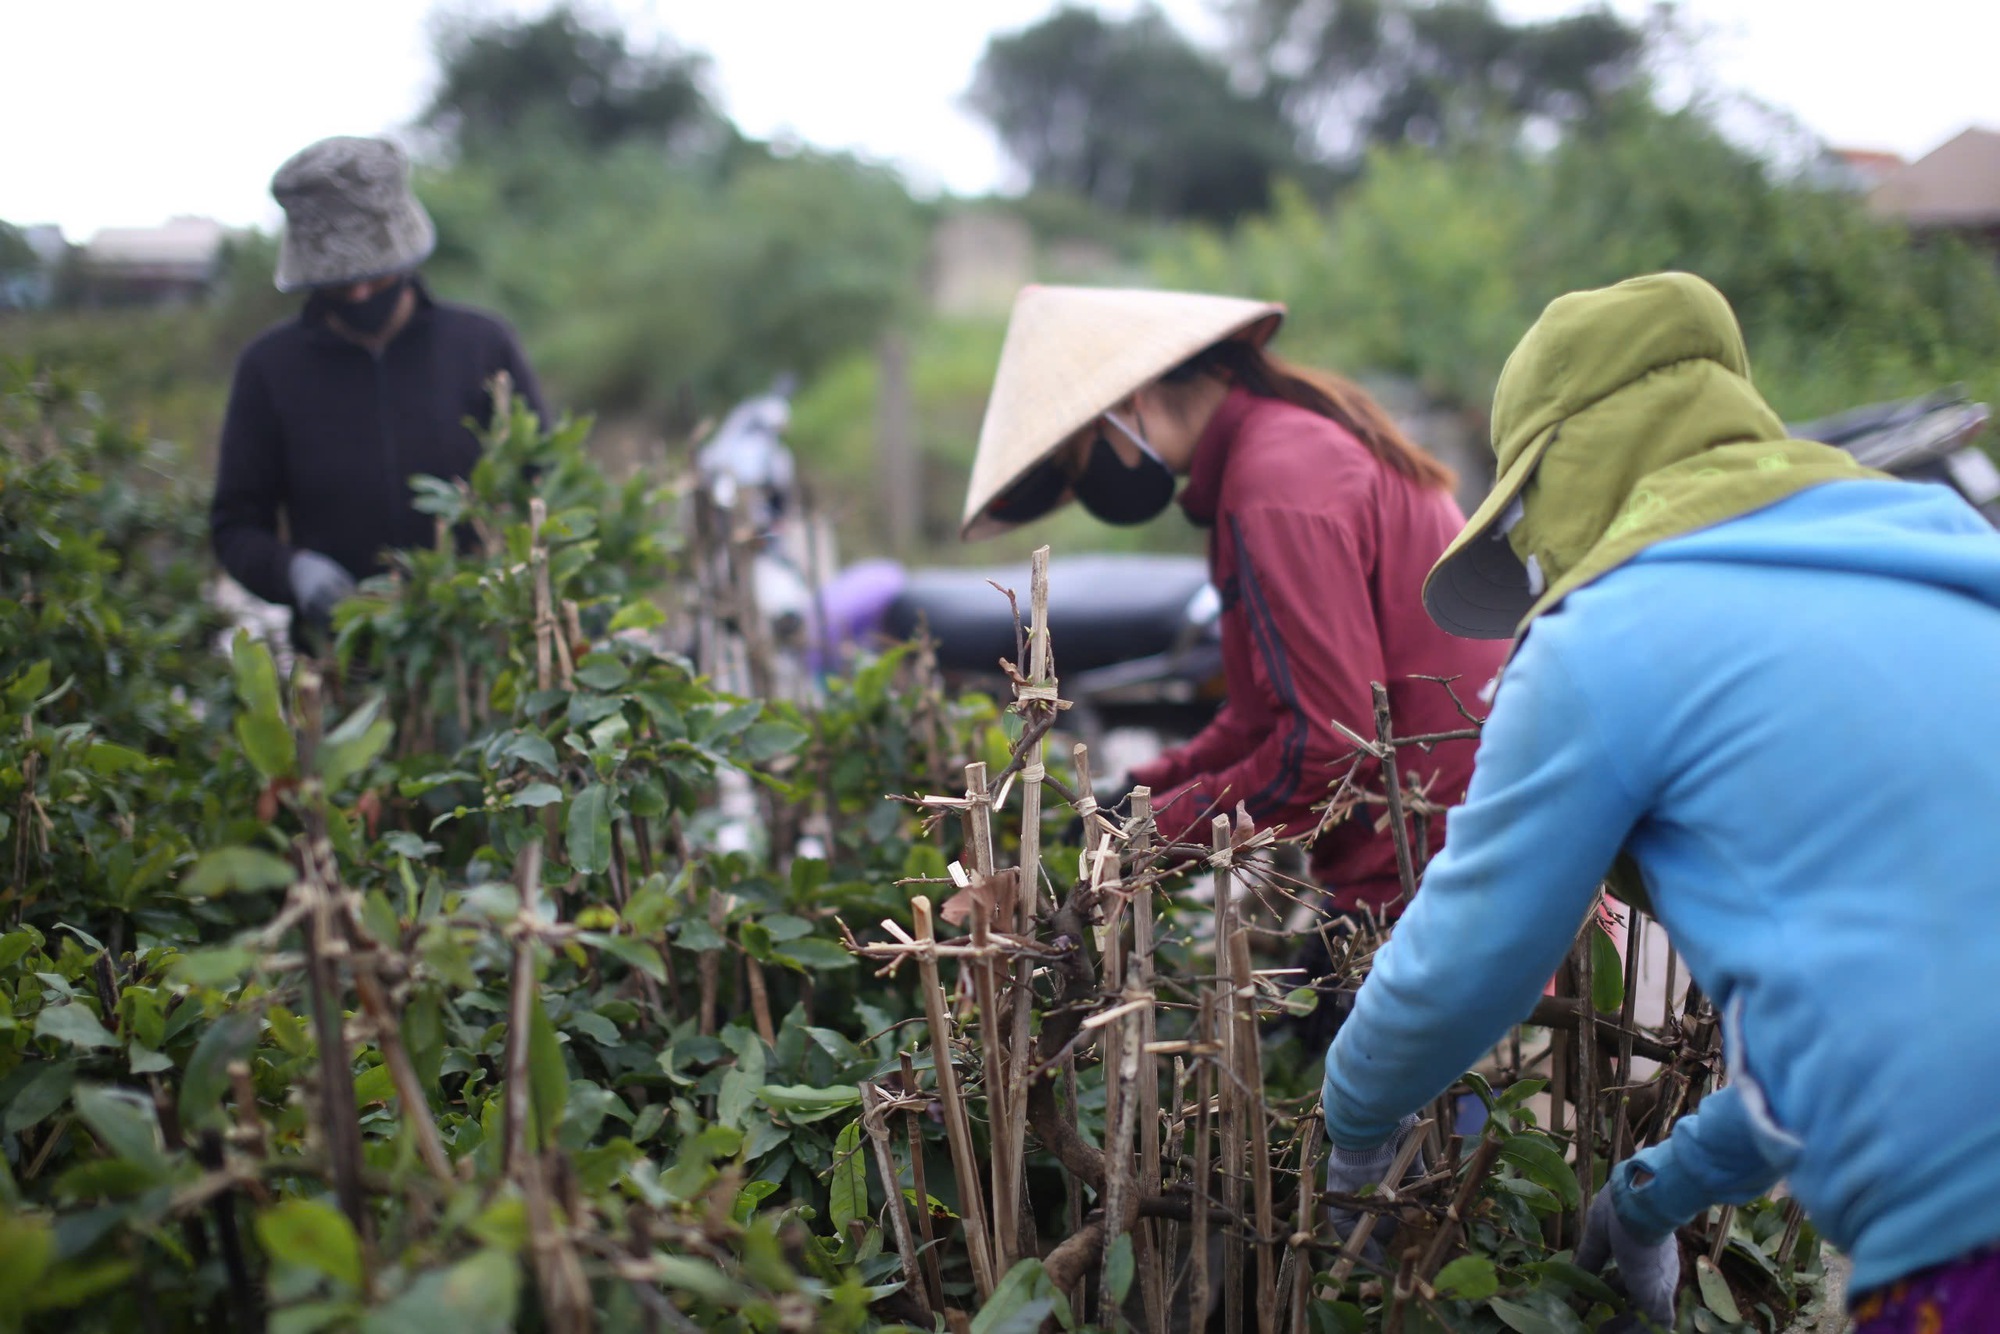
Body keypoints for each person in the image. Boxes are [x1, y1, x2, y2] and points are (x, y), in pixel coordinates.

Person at [1318, 272, 2000, 1329]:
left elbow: (1465, 957)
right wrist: (1651, 1196)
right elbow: (1888, 1024)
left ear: (1556, 478)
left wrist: (1351, 1128)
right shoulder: (1946, 557)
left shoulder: (1608, 638)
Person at [962, 285, 1507, 924]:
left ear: (1128, 400)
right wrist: (1134, 796)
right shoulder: (1271, 454)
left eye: (1077, 456)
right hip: (1427, 846)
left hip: (1434, 867)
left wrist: (1148, 832)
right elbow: (1261, 718)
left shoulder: (1276, 482)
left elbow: (1333, 743)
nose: (1083, 484)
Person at [210, 136, 548, 645]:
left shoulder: (481, 345)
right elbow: (235, 527)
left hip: (477, 648)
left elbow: (543, 480)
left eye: (373, 274)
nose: (361, 294)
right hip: (342, 653)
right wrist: (294, 571)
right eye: (340, 282)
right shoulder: (270, 368)